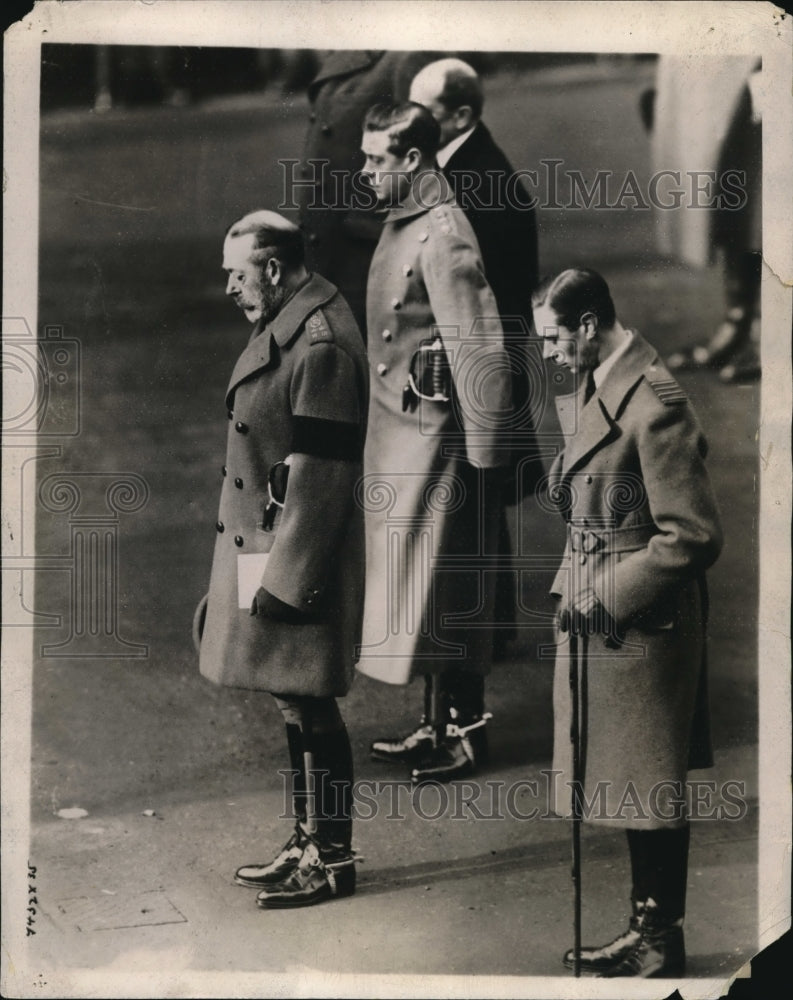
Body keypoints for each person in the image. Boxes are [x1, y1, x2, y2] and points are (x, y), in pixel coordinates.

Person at [532, 268, 722, 977]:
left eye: (554, 337)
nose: (549, 353)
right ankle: (645, 928)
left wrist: (608, 594)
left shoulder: (655, 402)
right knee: (625, 779)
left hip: (639, 619)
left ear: (587, 325)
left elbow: (691, 536)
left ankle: (658, 939)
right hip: (599, 607)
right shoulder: (600, 380)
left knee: (648, 782)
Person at [193, 210, 369, 908]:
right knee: (293, 702)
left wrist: (287, 582)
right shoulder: (291, 320)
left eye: (238, 274)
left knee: (312, 704)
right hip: (269, 542)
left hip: (299, 553)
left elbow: (322, 479)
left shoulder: (318, 343)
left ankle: (330, 855)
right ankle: (307, 839)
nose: (231, 288)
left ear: (272, 268)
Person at [356, 102, 512, 785]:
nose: (364, 173)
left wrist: (483, 463)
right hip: (401, 435)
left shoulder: (443, 234)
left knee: (450, 585)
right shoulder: (407, 222)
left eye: (376, 160)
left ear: (413, 158)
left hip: (438, 442)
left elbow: (480, 351)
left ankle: (466, 730)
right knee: (424, 586)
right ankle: (435, 720)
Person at [409, 57, 544, 658]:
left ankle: (479, 635)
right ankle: (494, 625)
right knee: (481, 502)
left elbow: (482, 295)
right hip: (486, 358)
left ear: (460, 113)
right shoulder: (465, 165)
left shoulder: (476, 180)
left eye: (426, 112)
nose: (415, 122)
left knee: (474, 503)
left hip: (480, 363)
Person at [297, 50, 446, 334]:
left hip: (369, 257)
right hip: (332, 253)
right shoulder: (347, 51)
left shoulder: (405, 56)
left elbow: (428, 170)